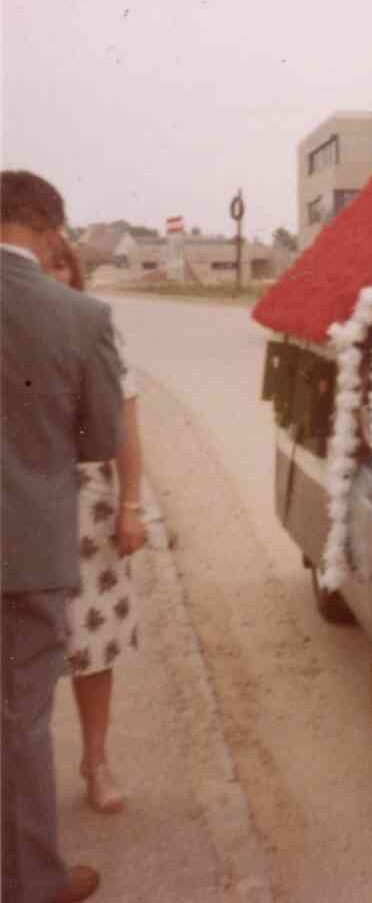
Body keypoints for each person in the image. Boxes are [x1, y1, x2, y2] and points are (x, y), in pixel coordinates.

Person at [2, 170, 123, 903]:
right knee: (21, 721)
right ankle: (33, 881)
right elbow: (101, 438)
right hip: (25, 551)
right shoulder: (80, 315)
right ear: (48, 230)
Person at [47, 238, 147, 814]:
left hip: (89, 509)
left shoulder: (98, 332)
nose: (55, 273)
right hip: (20, 508)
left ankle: (97, 761)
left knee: (93, 648)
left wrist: (131, 506)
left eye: (64, 263)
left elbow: (128, 429)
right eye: (46, 262)